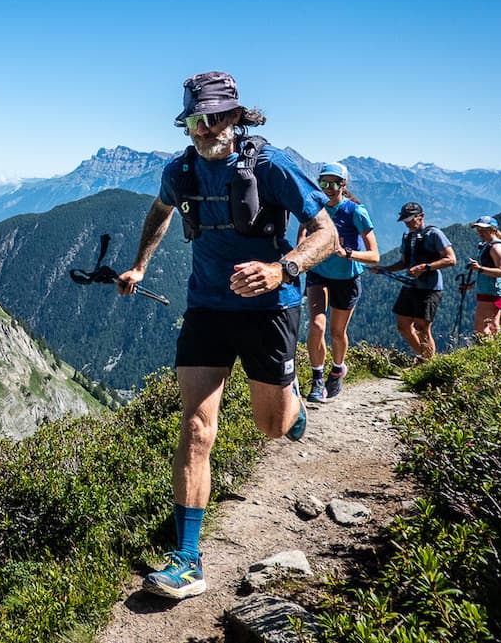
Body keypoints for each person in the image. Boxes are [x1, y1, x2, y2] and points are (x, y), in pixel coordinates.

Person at [116, 71, 336, 600]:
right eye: (197, 119)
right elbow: (160, 212)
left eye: (217, 116)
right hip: (207, 308)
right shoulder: (181, 170)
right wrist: (140, 265)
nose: (207, 127)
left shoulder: (271, 165)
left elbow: (327, 233)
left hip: (268, 308)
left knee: (271, 427)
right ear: (186, 125)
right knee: (195, 428)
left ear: (237, 116)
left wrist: (284, 268)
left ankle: (294, 408)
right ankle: (187, 560)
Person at [297, 163, 379, 401]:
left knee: (336, 332)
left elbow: (374, 256)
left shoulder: (356, 212)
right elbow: (303, 232)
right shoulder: (315, 209)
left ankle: (338, 368)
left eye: (334, 183)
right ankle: (316, 380)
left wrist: (348, 253)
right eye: (323, 183)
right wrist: (302, 252)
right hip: (319, 274)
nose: (328, 188)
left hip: (347, 277)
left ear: (344, 185)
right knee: (317, 326)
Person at [372, 202, 456, 361]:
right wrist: (384, 268)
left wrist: (426, 267)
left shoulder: (434, 234)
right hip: (410, 286)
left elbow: (451, 259)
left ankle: (428, 364)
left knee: (422, 327)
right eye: (405, 220)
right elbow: (403, 263)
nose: (408, 223)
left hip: (430, 288)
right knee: (403, 325)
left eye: (411, 219)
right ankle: (424, 358)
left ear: (421, 216)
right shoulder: (407, 236)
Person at [462, 216, 501, 337]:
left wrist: (479, 268)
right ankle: (495, 350)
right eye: (478, 230)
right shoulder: (488, 246)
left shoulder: (497, 248)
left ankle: (487, 352)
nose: (480, 233)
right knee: (493, 325)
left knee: (481, 327)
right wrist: (472, 285)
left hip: (493, 293)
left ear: (493, 230)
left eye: (484, 230)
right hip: (492, 291)